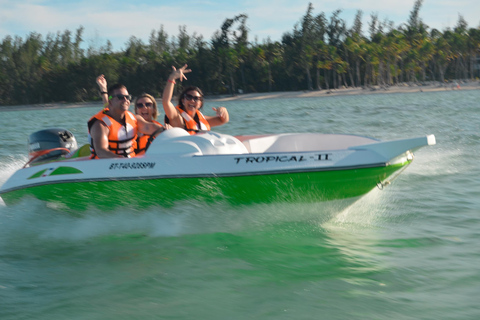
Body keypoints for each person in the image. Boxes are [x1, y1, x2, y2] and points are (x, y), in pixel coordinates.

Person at [88, 83, 167, 159]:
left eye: (127, 97)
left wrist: (166, 129)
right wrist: (122, 160)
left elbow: (149, 127)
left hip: (131, 162)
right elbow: (101, 152)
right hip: (106, 166)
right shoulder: (100, 125)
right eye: (120, 97)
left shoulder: (133, 118)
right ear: (110, 101)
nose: (125, 100)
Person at [162, 64, 229, 134]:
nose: (192, 100)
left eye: (196, 98)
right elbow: (166, 102)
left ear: (200, 104)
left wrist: (224, 111)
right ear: (183, 101)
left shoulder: (202, 119)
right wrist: (172, 78)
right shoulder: (177, 118)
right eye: (189, 97)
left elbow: (223, 120)